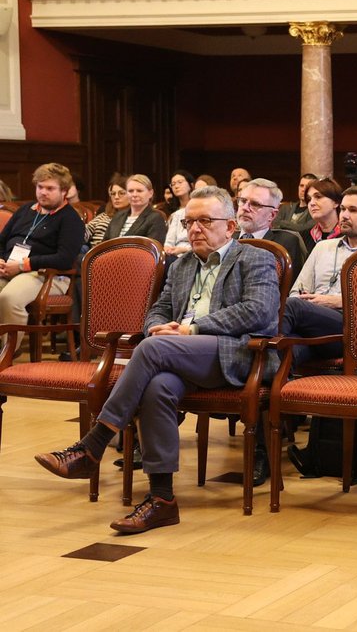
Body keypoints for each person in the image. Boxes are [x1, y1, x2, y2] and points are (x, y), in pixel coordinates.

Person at [34, 186, 280, 533]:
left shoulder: (253, 257)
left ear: (229, 226)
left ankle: (92, 446)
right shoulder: (180, 265)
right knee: (158, 388)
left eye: (205, 221)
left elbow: (259, 312)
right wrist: (157, 326)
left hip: (234, 353)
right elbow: (160, 308)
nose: (195, 228)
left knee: (151, 350)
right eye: (190, 221)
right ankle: (162, 500)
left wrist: (191, 328)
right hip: (180, 353)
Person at [280, 186, 357, 479]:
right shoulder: (323, 248)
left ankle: (257, 369)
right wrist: (310, 301)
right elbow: (299, 291)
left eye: (354, 210)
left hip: (353, 331)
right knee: (287, 352)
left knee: (291, 310)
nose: (345, 215)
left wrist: (338, 301)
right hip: (315, 329)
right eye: (343, 210)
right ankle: (267, 391)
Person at [0, 163, 85, 350]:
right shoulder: (25, 210)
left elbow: (64, 258)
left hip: (48, 275)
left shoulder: (71, 219)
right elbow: (2, 240)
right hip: (10, 268)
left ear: (64, 191)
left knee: (8, 298)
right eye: (40, 187)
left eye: (50, 188)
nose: (43, 192)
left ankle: (6, 353)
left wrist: (24, 265)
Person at [235, 178, 307, 280]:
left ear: (272, 215)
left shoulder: (285, 243)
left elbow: (289, 288)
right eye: (243, 201)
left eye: (255, 204)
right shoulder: (226, 239)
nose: (245, 208)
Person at [104, 174, 168, 244]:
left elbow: (153, 249)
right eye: (131, 191)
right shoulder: (118, 216)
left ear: (150, 193)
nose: (134, 195)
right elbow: (104, 244)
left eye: (139, 191)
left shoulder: (156, 218)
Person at [84, 174, 129, 248]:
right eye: (113, 194)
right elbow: (86, 232)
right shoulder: (104, 215)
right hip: (92, 252)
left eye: (121, 193)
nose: (116, 197)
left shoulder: (131, 218)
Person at [303, 178, 343, 255]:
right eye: (309, 199)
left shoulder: (348, 236)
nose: (312, 203)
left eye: (318, 197)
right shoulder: (304, 236)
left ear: (336, 202)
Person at [163, 170, 195, 256]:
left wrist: (183, 250)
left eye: (180, 182)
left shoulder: (198, 208)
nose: (176, 186)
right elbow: (169, 240)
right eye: (173, 184)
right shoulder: (173, 212)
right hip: (173, 253)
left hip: (190, 252)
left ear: (191, 185)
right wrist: (167, 248)